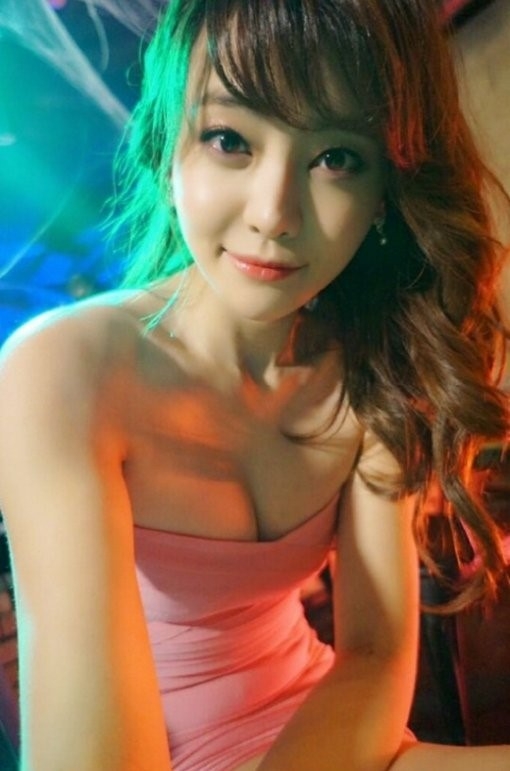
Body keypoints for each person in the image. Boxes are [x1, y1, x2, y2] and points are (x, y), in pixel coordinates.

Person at [0, 1, 509, 769]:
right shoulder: (64, 369)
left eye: (336, 158)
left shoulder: (375, 362)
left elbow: (373, 654)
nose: (274, 215)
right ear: (168, 145)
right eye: (230, 139)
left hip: (332, 730)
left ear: (385, 188)